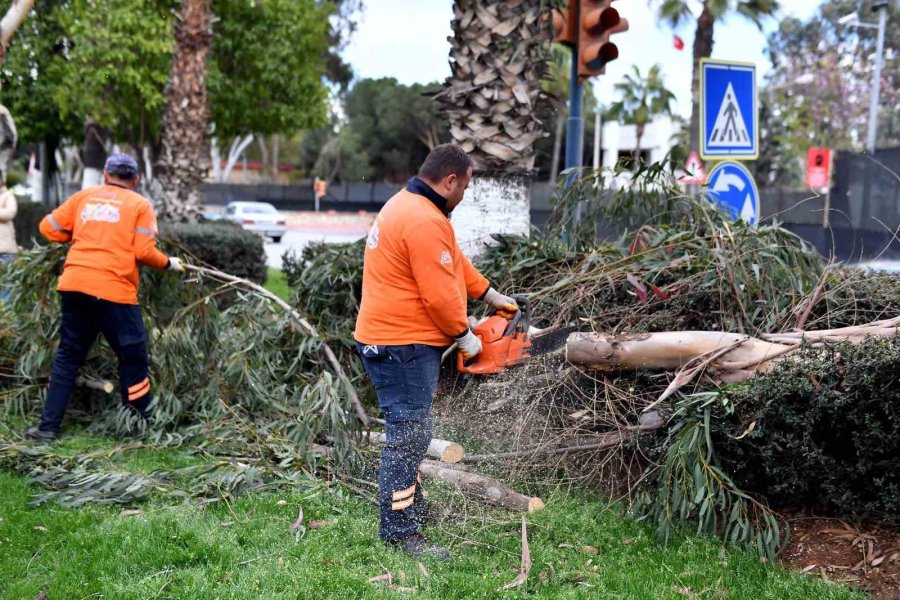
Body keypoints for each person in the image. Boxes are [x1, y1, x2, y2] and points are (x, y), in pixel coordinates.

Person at [354, 144, 520, 559]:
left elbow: (453, 263)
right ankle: (399, 531)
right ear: (450, 181)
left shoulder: (409, 205)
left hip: (392, 338)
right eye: (464, 186)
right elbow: (440, 296)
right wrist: (466, 336)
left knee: (413, 431)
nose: (464, 195)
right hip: (401, 344)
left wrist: (489, 294)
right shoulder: (424, 219)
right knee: (409, 437)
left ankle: (413, 508)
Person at [25, 153, 184, 442]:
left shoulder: (84, 197)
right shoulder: (140, 205)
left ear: (105, 174)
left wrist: (80, 234)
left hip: (75, 285)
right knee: (132, 356)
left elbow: (48, 228)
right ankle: (138, 426)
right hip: (114, 291)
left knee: (68, 358)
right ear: (135, 179)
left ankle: (47, 428)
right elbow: (144, 252)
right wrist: (168, 263)